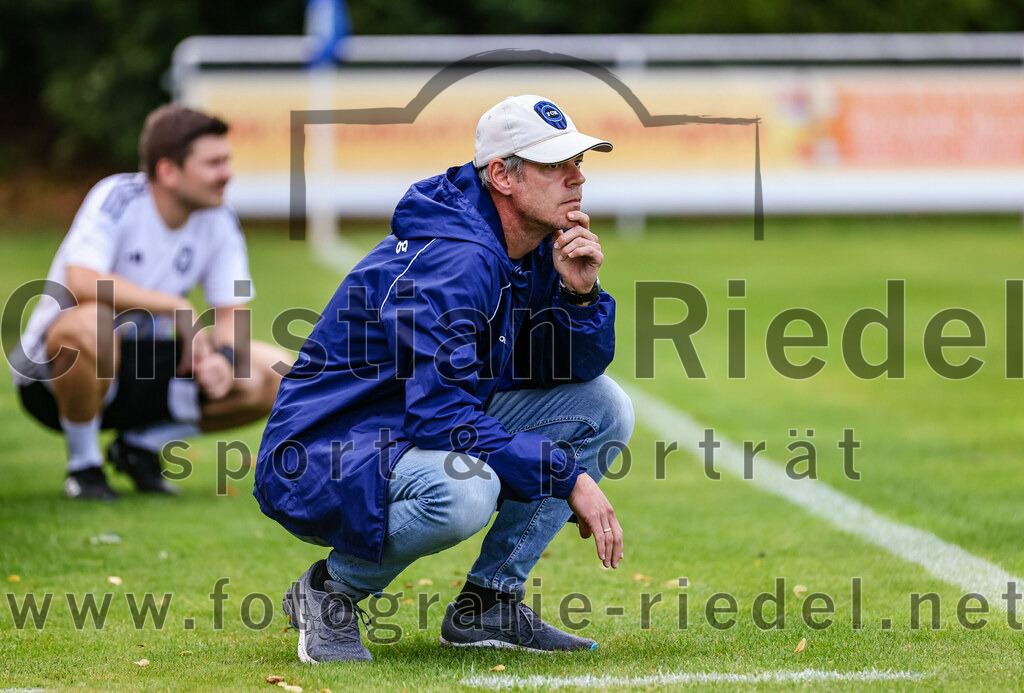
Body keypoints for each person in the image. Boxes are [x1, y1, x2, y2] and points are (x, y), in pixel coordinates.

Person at [255, 94, 634, 662]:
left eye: (578, 161)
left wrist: (582, 297)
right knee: (465, 490)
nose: (577, 177)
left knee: (603, 408)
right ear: (502, 175)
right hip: (326, 448)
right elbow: (439, 416)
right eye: (556, 164)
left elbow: (565, 371)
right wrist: (566, 475)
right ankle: (331, 592)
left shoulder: (527, 244)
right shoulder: (457, 260)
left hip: (400, 427)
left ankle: (490, 603)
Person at [9, 104, 289, 500]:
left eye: (226, 161)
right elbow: (81, 280)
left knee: (280, 373)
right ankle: (85, 467)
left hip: (140, 366)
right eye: (213, 163)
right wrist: (173, 305)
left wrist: (224, 361)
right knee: (90, 323)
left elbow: (232, 313)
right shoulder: (117, 196)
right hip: (52, 377)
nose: (227, 174)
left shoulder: (219, 218)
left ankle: (140, 445)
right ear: (168, 171)